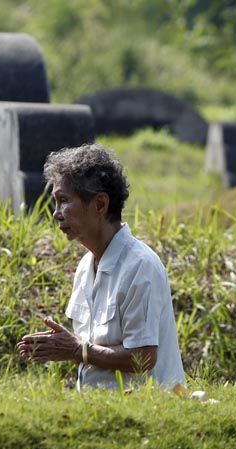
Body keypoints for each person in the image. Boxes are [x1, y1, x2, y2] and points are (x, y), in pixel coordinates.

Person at [17, 144, 185, 390]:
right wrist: (71, 349)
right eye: (55, 203)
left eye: (64, 201)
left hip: (149, 415)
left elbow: (143, 358)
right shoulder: (86, 266)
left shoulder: (140, 266)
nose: (56, 214)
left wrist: (76, 350)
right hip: (104, 412)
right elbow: (88, 349)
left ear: (100, 205)